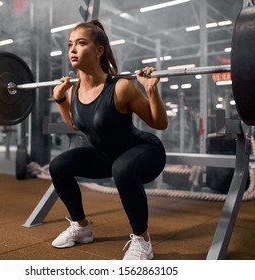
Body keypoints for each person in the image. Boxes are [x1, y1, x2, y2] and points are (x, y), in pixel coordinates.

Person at [50, 19, 168, 260]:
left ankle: (142, 241)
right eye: (70, 44)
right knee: (59, 165)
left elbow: (159, 123)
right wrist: (60, 99)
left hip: (145, 152)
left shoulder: (121, 87)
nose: (72, 49)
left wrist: (152, 91)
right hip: (108, 156)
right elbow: (76, 124)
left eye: (81, 43)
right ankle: (81, 227)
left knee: (121, 168)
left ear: (99, 50)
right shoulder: (73, 90)